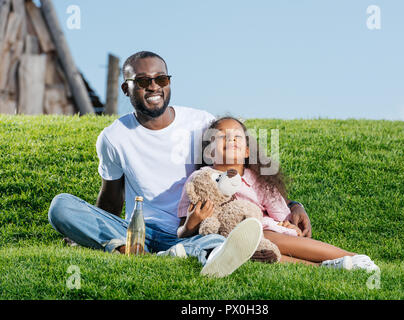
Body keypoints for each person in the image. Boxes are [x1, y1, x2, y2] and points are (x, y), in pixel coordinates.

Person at [47, 51, 264, 278]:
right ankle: (140, 249)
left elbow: (240, 168)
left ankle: (179, 252)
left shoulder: (201, 122)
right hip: (137, 231)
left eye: (161, 79)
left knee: (216, 239)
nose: (153, 87)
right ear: (125, 89)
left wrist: (291, 205)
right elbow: (111, 199)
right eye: (142, 81)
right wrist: (88, 227)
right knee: (61, 206)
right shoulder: (113, 137)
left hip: (189, 231)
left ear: (168, 82)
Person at [177, 116, 380, 271]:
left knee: (263, 234)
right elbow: (183, 233)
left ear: (247, 151)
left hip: (264, 230)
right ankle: (324, 267)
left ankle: (353, 257)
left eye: (237, 136)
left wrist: (289, 225)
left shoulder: (257, 180)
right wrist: (193, 222)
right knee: (245, 249)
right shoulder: (199, 181)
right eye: (222, 136)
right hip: (227, 242)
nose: (231, 140)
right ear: (209, 151)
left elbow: (282, 216)